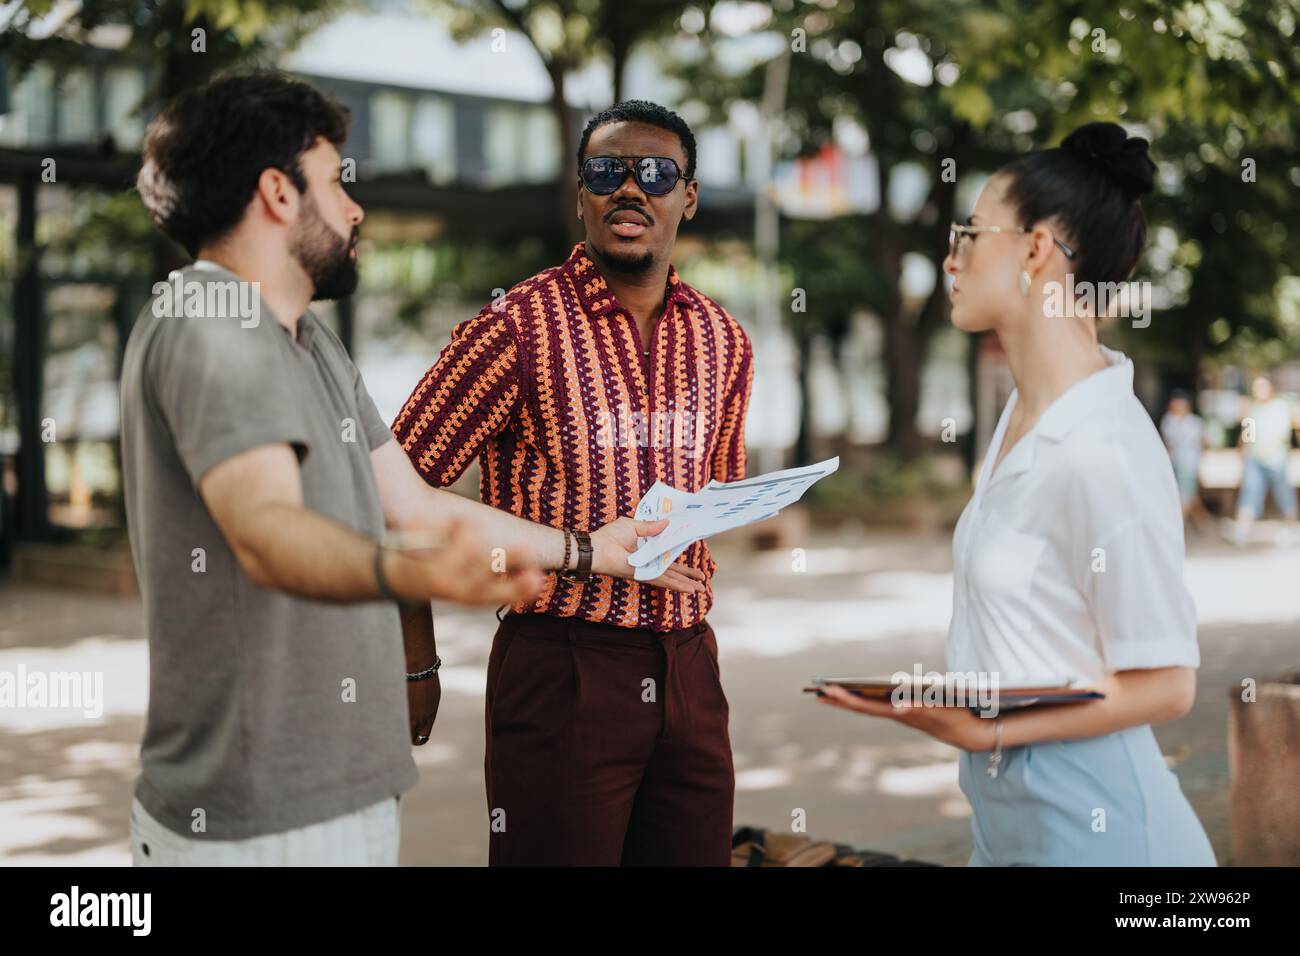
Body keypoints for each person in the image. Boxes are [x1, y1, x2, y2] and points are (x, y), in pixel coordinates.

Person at [122, 72, 686, 866]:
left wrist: (593, 550)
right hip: (253, 814)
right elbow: (268, 534)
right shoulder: (208, 322)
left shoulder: (310, 342)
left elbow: (419, 508)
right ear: (279, 194)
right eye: (333, 183)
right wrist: (427, 578)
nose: (353, 209)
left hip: (343, 790)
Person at [815, 122, 1215, 866]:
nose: (950, 256)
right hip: (1006, 832)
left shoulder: (1106, 449)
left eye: (969, 234)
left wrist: (990, 725)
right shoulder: (1017, 418)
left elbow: (1166, 685)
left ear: (1036, 250)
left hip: (1108, 842)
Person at [392, 100, 753, 866]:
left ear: (686, 196)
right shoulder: (513, 329)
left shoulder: (724, 339)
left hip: (690, 665)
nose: (631, 189)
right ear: (580, 193)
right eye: (606, 171)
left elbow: (720, 488)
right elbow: (394, 491)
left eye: (656, 173)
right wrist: (414, 658)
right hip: (561, 667)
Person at [1232, 375, 1298, 546]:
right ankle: (1242, 531)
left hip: (1275, 460)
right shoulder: (1253, 409)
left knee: (1284, 495)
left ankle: (1292, 528)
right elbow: (1247, 437)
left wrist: (1267, 450)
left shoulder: (1280, 407)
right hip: (1254, 460)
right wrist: (1242, 457)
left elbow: (1282, 434)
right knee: (1249, 495)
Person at [1159, 389, 1208, 532]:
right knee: (1186, 496)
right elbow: (1169, 443)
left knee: (1185, 497)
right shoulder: (1169, 420)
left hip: (1189, 464)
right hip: (1174, 463)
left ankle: (1178, 527)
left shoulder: (1195, 423)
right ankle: (1204, 522)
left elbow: (1201, 444)